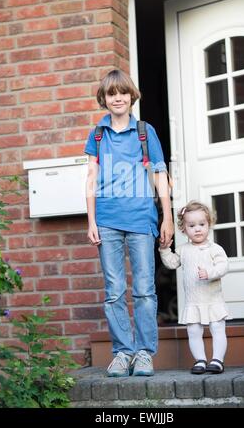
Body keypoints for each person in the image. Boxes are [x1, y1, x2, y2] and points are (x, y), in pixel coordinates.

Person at [85, 69, 174, 377]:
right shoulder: (97, 134)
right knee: (113, 291)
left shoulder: (144, 132)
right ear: (104, 99)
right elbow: (91, 178)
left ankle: (144, 353)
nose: (118, 98)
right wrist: (91, 220)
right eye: (111, 94)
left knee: (145, 291)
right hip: (107, 220)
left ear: (132, 95)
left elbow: (160, 175)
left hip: (141, 219)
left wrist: (168, 218)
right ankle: (122, 352)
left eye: (123, 92)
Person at [159, 200, 229, 374]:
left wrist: (210, 272)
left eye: (202, 224)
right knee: (193, 331)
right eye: (192, 225)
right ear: (184, 229)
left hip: (213, 299)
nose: (197, 229)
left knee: (218, 328)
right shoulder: (183, 250)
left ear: (209, 225)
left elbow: (223, 266)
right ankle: (200, 360)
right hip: (193, 301)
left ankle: (217, 360)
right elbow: (172, 263)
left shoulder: (215, 248)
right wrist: (164, 250)